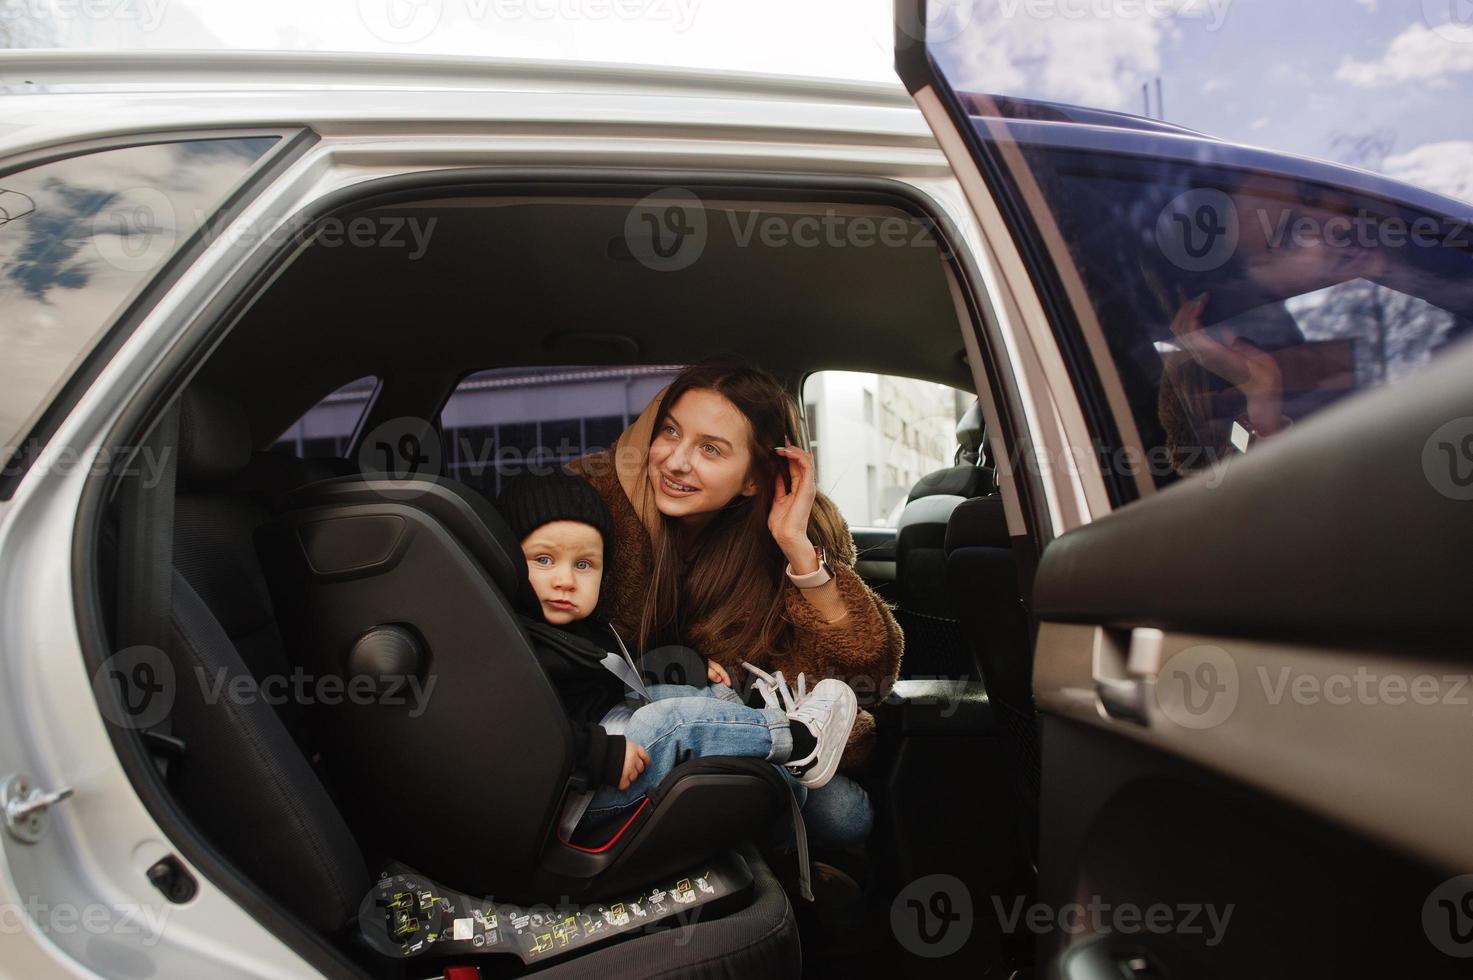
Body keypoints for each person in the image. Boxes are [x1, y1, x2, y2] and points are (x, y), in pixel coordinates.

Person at [567, 359, 904, 847]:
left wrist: (797, 550)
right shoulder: (599, 515)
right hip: (618, 731)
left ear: (752, 479)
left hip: (738, 734)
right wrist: (672, 669)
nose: (676, 461)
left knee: (844, 814)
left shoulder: (791, 542)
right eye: (670, 433)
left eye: (710, 449)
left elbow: (866, 675)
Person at [495, 468, 860, 839]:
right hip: (574, 800)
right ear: (506, 562)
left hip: (606, 748)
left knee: (681, 695)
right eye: (542, 560)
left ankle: (760, 740)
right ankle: (799, 741)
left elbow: (622, 674)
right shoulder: (512, 643)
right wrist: (597, 755)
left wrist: (686, 665)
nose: (566, 580)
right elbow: (516, 730)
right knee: (667, 723)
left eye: (584, 564)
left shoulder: (580, 628)